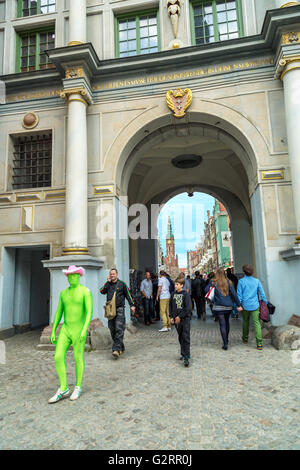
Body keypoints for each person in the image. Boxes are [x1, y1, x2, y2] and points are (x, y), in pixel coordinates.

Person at [49, 265, 93, 403]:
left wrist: (85, 329)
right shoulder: (63, 293)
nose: (73, 278)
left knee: (78, 357)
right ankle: (63, 387)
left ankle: (78, 386)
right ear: (67, 277)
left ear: (79, 276)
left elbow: (89, 312)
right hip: (66, 329)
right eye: (70, 275)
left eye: (76, 275)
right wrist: (54, 329)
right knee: (58, 356)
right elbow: (58, 312)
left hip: (78, 329)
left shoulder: (85, 291)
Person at [100, 268, 135, 359]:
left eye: (113, 274)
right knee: (112, 329)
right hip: (110, 310)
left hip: (119, 309)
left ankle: (116, 349)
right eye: (111, 274)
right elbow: (101, 291)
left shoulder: (122, 284)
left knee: (119, 329)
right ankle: (121, 347)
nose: (112, 275)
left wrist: (132, 305)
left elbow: (128, 295)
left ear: (117, 274)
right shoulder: (108, 284)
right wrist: (107, 282)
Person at [237, 264, 268, 350]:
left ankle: (245, 338)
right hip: (255, 305)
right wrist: (266, 302)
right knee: (257, 323)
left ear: (244, 272)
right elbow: (262, 293)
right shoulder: (256, 281)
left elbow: (239, 295)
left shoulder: (241, 281)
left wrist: (238, 305)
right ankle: (259, 343)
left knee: (245, 322)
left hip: (245, 305)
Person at [211, 268, 242, 350]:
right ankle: (226, 340)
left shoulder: (214, 283)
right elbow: (234, 295)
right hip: (228, 306)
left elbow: (207, 290)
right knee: (227, 322)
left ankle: (225, 343)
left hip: (218, 306)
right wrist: (238, 305)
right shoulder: (229, 282)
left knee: (222, 324)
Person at [170, 277, 192, 367]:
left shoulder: (185, 294)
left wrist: (180, 316)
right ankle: (183, 353)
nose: (175, 286)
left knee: (185, 336)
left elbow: (188, 308)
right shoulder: (173, 294)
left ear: (182, 285)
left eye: (177, 284)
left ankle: (187, 356)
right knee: (180, 336)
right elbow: (170, 306)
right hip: (176, 320)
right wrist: (171, 316)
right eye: (175, 284)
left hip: (184, 319)